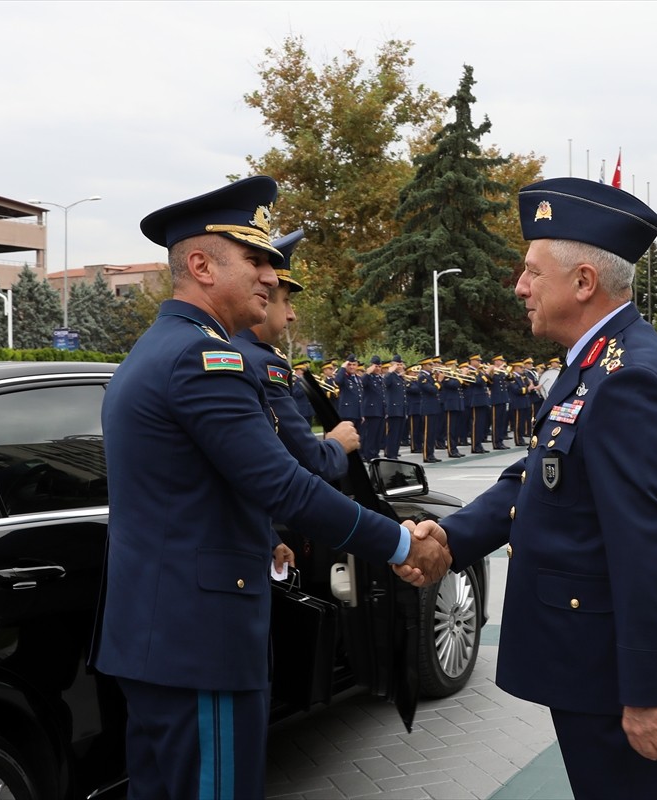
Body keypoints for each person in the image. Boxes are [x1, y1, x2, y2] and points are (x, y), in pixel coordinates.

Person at [94, 176, 450, 800]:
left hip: (162, 637)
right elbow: (286, 485)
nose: (269, 275)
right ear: (201, 265)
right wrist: (398, 544)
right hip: (201, 642)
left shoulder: (166, 348)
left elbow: (194, 483)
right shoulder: (203, 360)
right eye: (255, 260)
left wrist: (258, 536)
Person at [399, 177, 657, 800]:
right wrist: (453, 536)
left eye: (531, 272)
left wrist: (648, 693)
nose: (519, 287)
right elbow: (542, 475)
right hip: (592, 660)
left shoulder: (629, 378)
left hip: (613, 672)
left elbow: (647, 544)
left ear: (583, 283)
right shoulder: (596, 363)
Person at [234, 228, 357, 483]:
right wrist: (337, 443)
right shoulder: (262, 362)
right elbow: (312, 463)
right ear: (262, 300)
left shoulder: (227, 346)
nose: (292, 315)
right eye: (286, 301)